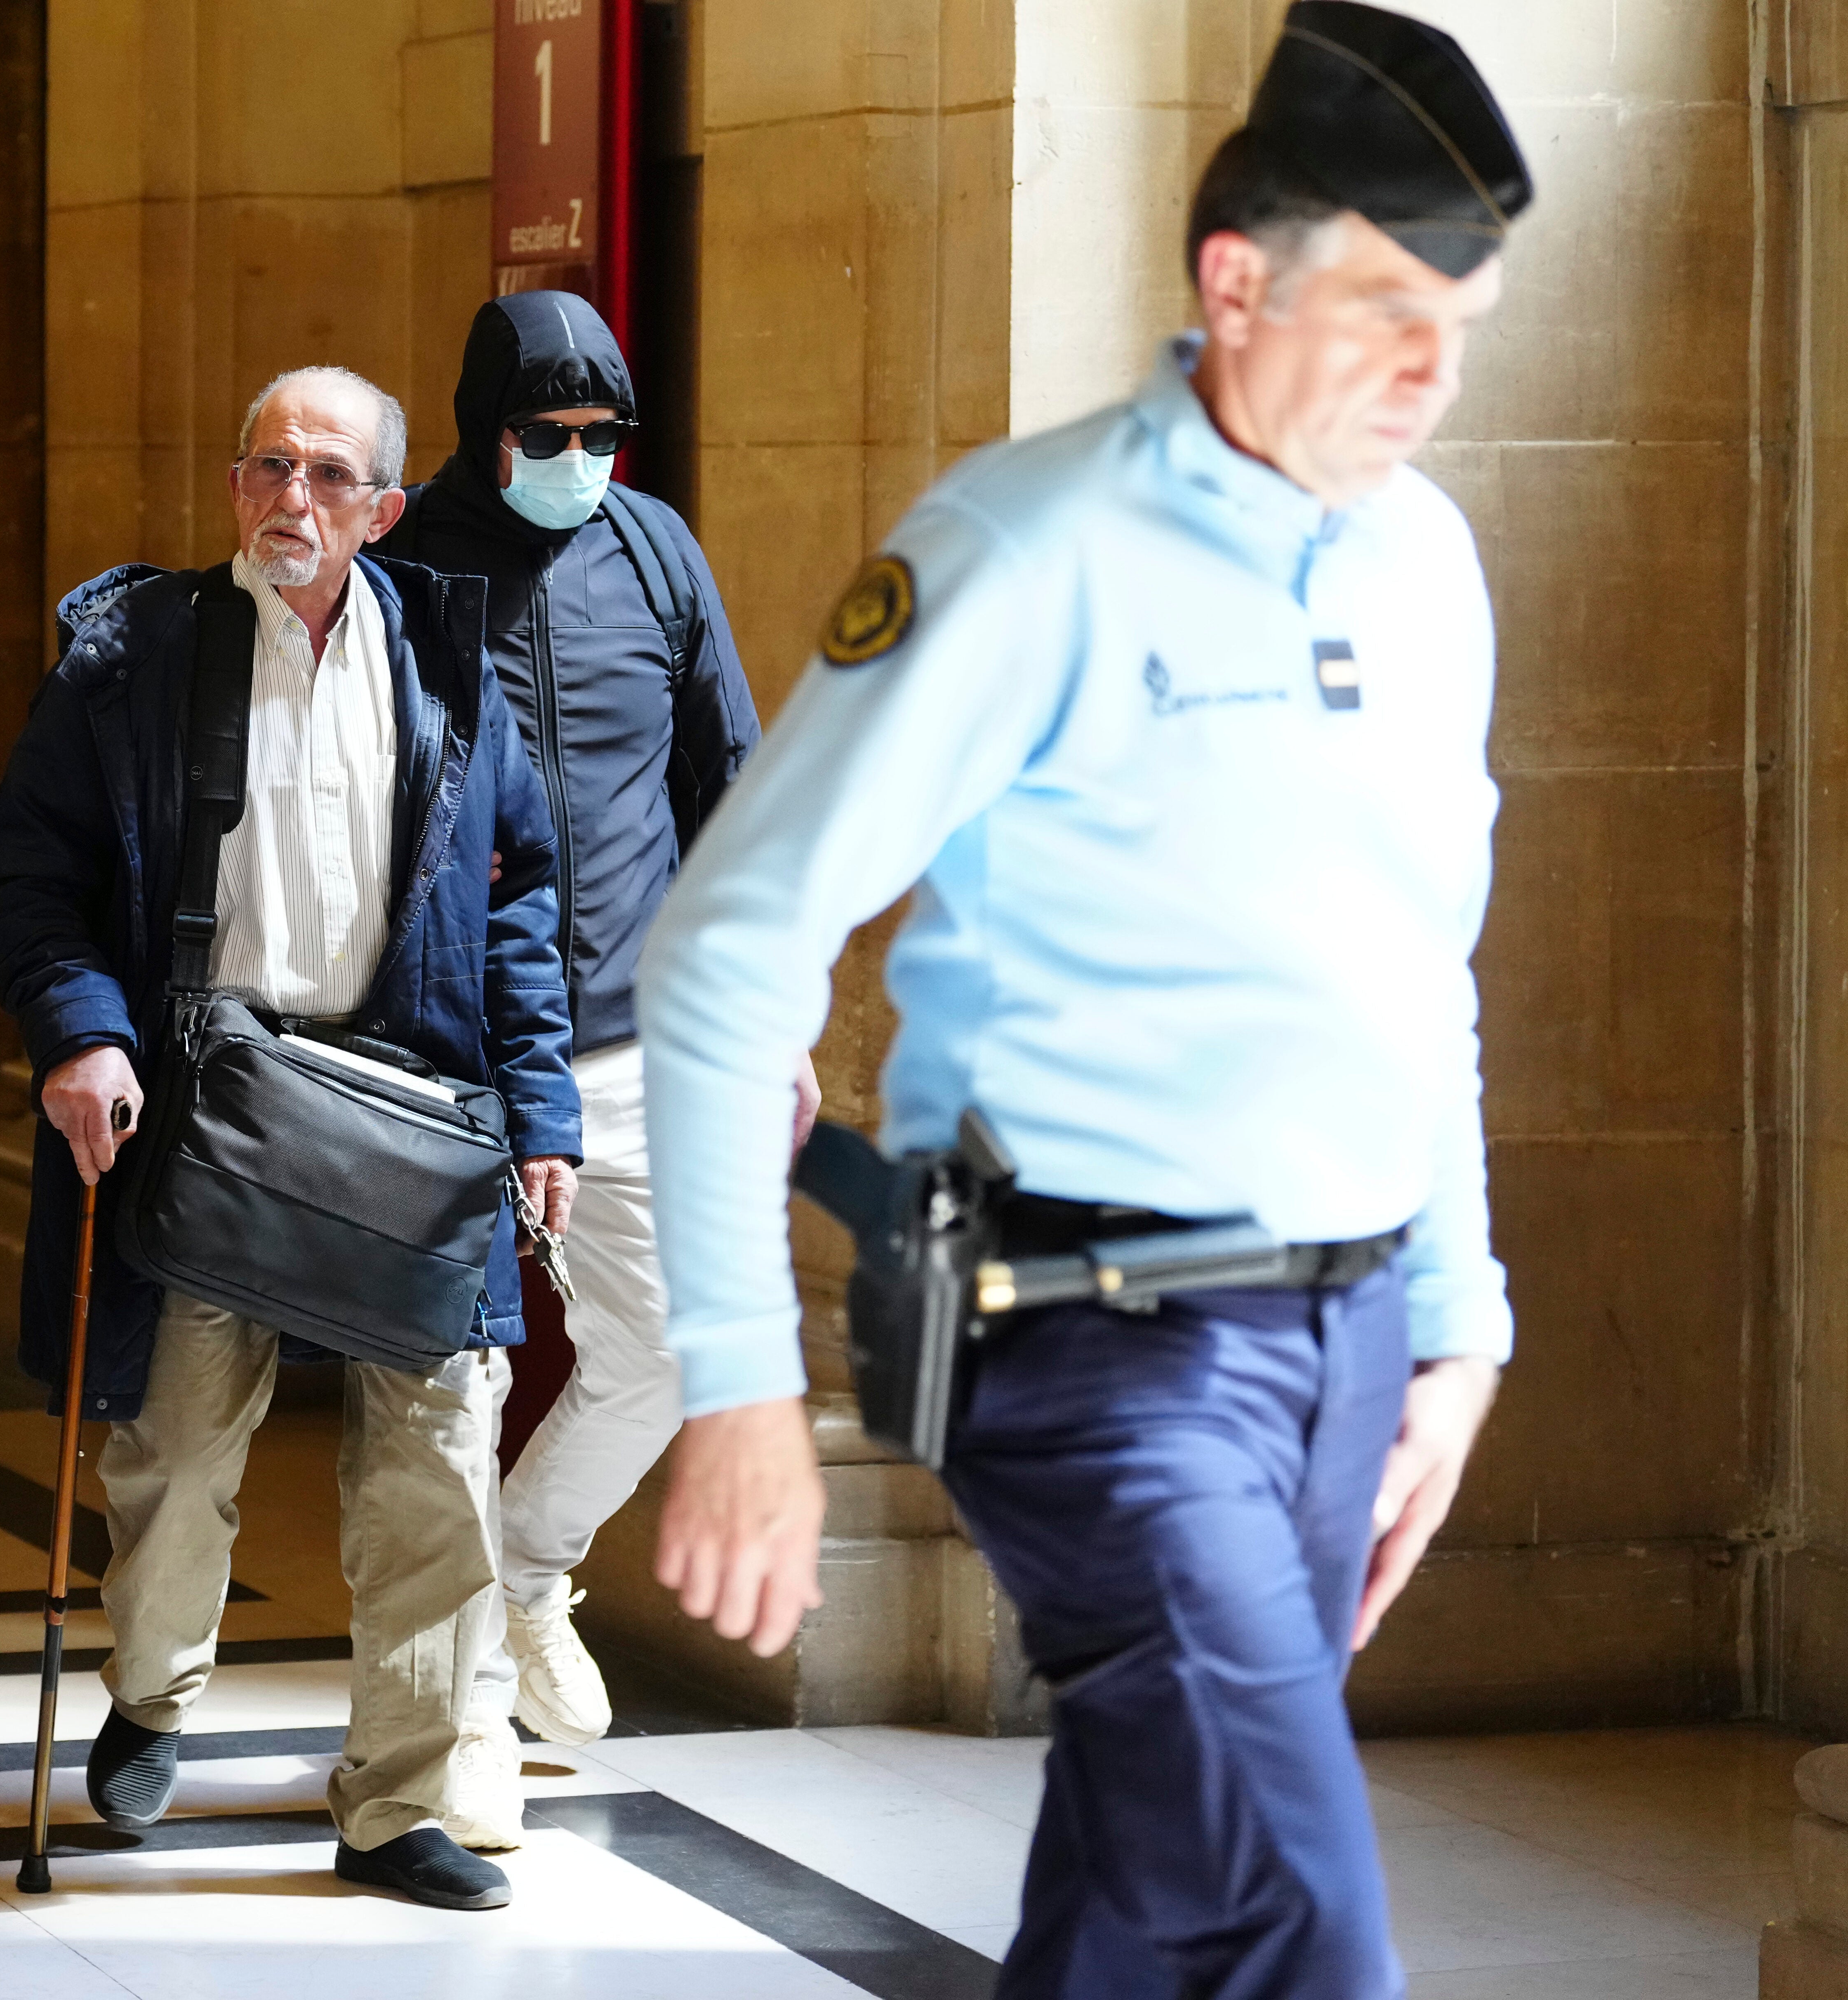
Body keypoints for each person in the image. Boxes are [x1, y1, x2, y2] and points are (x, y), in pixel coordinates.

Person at [639, 8, 1525, 1995]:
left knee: (1146, 1898)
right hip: (1096, 1349)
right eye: (1391, 311)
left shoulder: (1428, 567)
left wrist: (1455, 1323)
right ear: (1234, 283)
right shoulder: (1024, 552)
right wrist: (735, 1386)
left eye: (1464, 323)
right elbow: (726, 953)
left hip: (1346, 1332)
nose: (1434, 373)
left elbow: (1416, 968)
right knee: (1308, 1927)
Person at [0, 365, 579, 1913]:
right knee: (176, 1444)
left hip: (411, 1115)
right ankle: (154, 1687)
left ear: (380, 505)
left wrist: (542, 1106)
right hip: (209, 1103)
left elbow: (515, 900)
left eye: (322, 475)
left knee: (437, 1466)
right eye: (262, 467)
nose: (286, 500)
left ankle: (401, 1799)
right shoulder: (136, 655)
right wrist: (82, 1030)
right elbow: (22, 877)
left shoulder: (445, 658)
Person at [381, 289, 781, 1844]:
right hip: (449, 1040)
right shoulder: (408, 557)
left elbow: (729, 776)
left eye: (600, 434)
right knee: (454, 1387)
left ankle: (535, 1570)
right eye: (540, 436)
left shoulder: (656, 549)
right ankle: (464, 1715)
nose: (574, 458)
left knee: (668, 1342)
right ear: (480, 430)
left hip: (628, 1028)